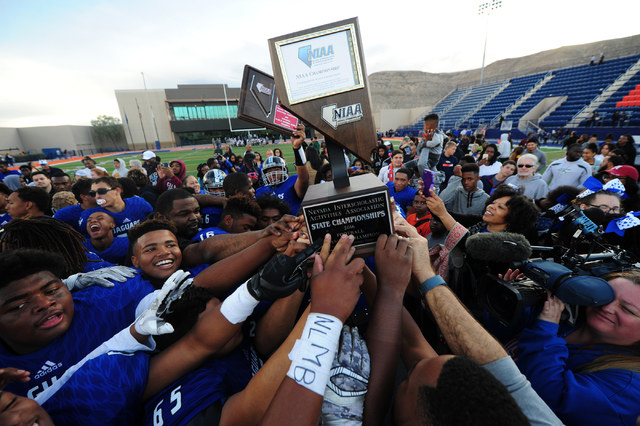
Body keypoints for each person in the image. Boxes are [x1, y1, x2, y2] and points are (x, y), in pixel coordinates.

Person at [516, 270, 640, 425]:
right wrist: (514, 297)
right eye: (606, 295)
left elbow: (550, 398)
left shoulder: (629, 387)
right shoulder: (563, 311)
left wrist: (545, 330)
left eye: (627, 310)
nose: (607, 307)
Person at [256, 124, 309, 215]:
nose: (273, 173)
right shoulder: (260, 191)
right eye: (269, 171)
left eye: (276, 169)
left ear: (284, 170)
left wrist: (297, 148)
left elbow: (304, 179)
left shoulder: (292, 182)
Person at [78, 176, 153, 238]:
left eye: (102, 191)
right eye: (93, 193)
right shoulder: (90, 216)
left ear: (117, 190)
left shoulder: (139, 203)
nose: (97, 196)